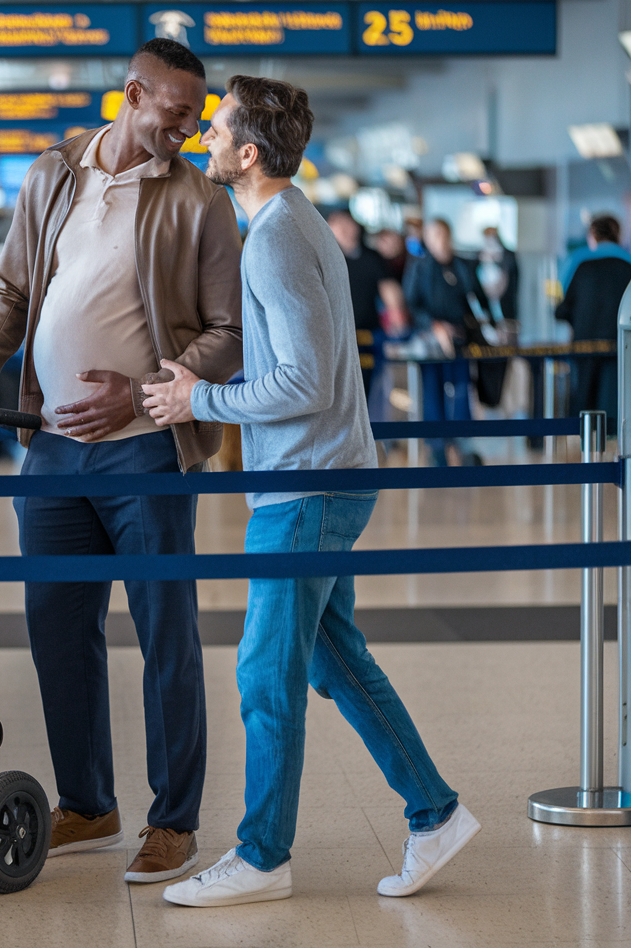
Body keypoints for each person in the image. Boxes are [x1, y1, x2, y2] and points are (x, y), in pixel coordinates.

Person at [142, 74, 479, 908]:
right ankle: (435, 813)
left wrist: (200, 400)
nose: (207, 140)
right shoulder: (290, 223)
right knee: (336, 663)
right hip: (321, 478)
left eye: (217, 132)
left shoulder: (277, 238)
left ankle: (262, 857)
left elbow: (303, 383)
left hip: (307, 487)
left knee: (264, 672)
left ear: (250, 153)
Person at [0, 38, 243, 883]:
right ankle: (88, 803)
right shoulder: (53, 175)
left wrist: (144, 390)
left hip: (144, 451)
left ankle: (173, 819)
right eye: (173, 113)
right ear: (133, 93)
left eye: (195, 119)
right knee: (58, 635)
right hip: (51, 451)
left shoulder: (198, 201)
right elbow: (8, 293)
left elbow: (229, 333)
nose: (185, 130)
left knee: (164, 636)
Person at [402, 218, 477, 466]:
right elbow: (412, 305)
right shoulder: (419, 267)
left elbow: (474, 302)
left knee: (461, 392)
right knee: (433, 393)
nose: (439, 241)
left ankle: (463, 444)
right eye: (433, 236)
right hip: (431, 343)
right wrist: (434, 326)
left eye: (442, 235)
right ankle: (437, 448)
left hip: (460, 340)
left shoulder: (462, 266)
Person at [556, 216, 631, 424]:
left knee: (584, 405)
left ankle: (583, 451)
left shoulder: (578, 263)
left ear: (593, 236)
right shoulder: (628, 265)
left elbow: (561, 309)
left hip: (584, 347)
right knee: (617, 406)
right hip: (621, 349)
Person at [327, 208, 404, 398]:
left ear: (356, 227)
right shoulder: (325, 258)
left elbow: (389, 289)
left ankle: (367, 425)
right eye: (337, 225)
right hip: (337, 334)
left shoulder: (371, 257)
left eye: (347, 224)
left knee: (368, 387)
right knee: (338, 390)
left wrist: (397, 316)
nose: (343, 229)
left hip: (369, 333)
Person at [559, 214, 631, 294]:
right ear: (618, 235)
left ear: (592, 235)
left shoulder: (577, 259)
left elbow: (563, 289)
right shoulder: (628, 259)